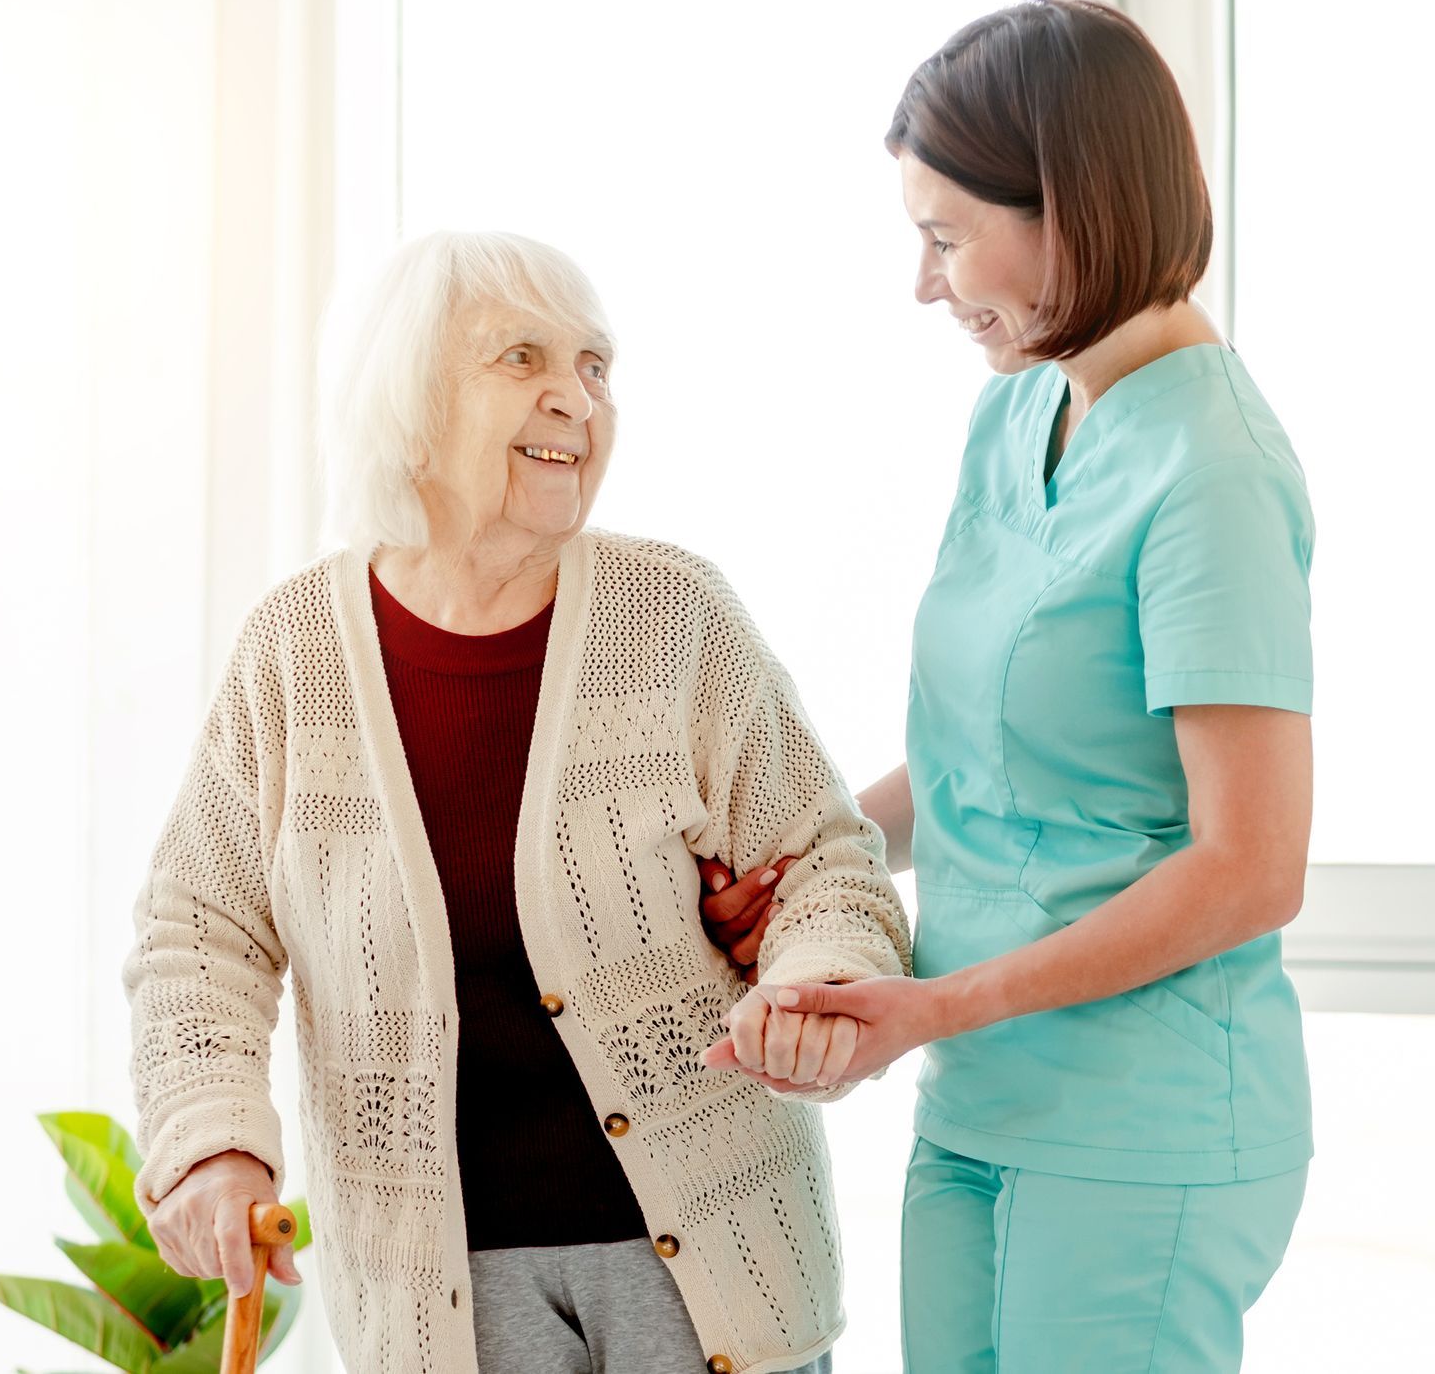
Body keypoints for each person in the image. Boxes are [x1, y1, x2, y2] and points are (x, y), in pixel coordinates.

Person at [122, 230, 910, 1374]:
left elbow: (826, 861)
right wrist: (209, 1144)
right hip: (437, 1283)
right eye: (523, 358)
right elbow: (199, 930)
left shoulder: (672, 615)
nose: (575, 397)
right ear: (410, 398)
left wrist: (812, 981)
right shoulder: (294, 651)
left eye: (597, 365)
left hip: (711, 1258)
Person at [703, 0, 1316, 1373]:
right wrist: (806, 861)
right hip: (980, 1101)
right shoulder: (1021, 409)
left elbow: (1251, 867)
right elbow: (988, 761)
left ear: (1073, 209)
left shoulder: (1210, 471)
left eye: (944, 236)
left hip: (1136, 1127)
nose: (927, 286)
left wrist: (936, 1005)